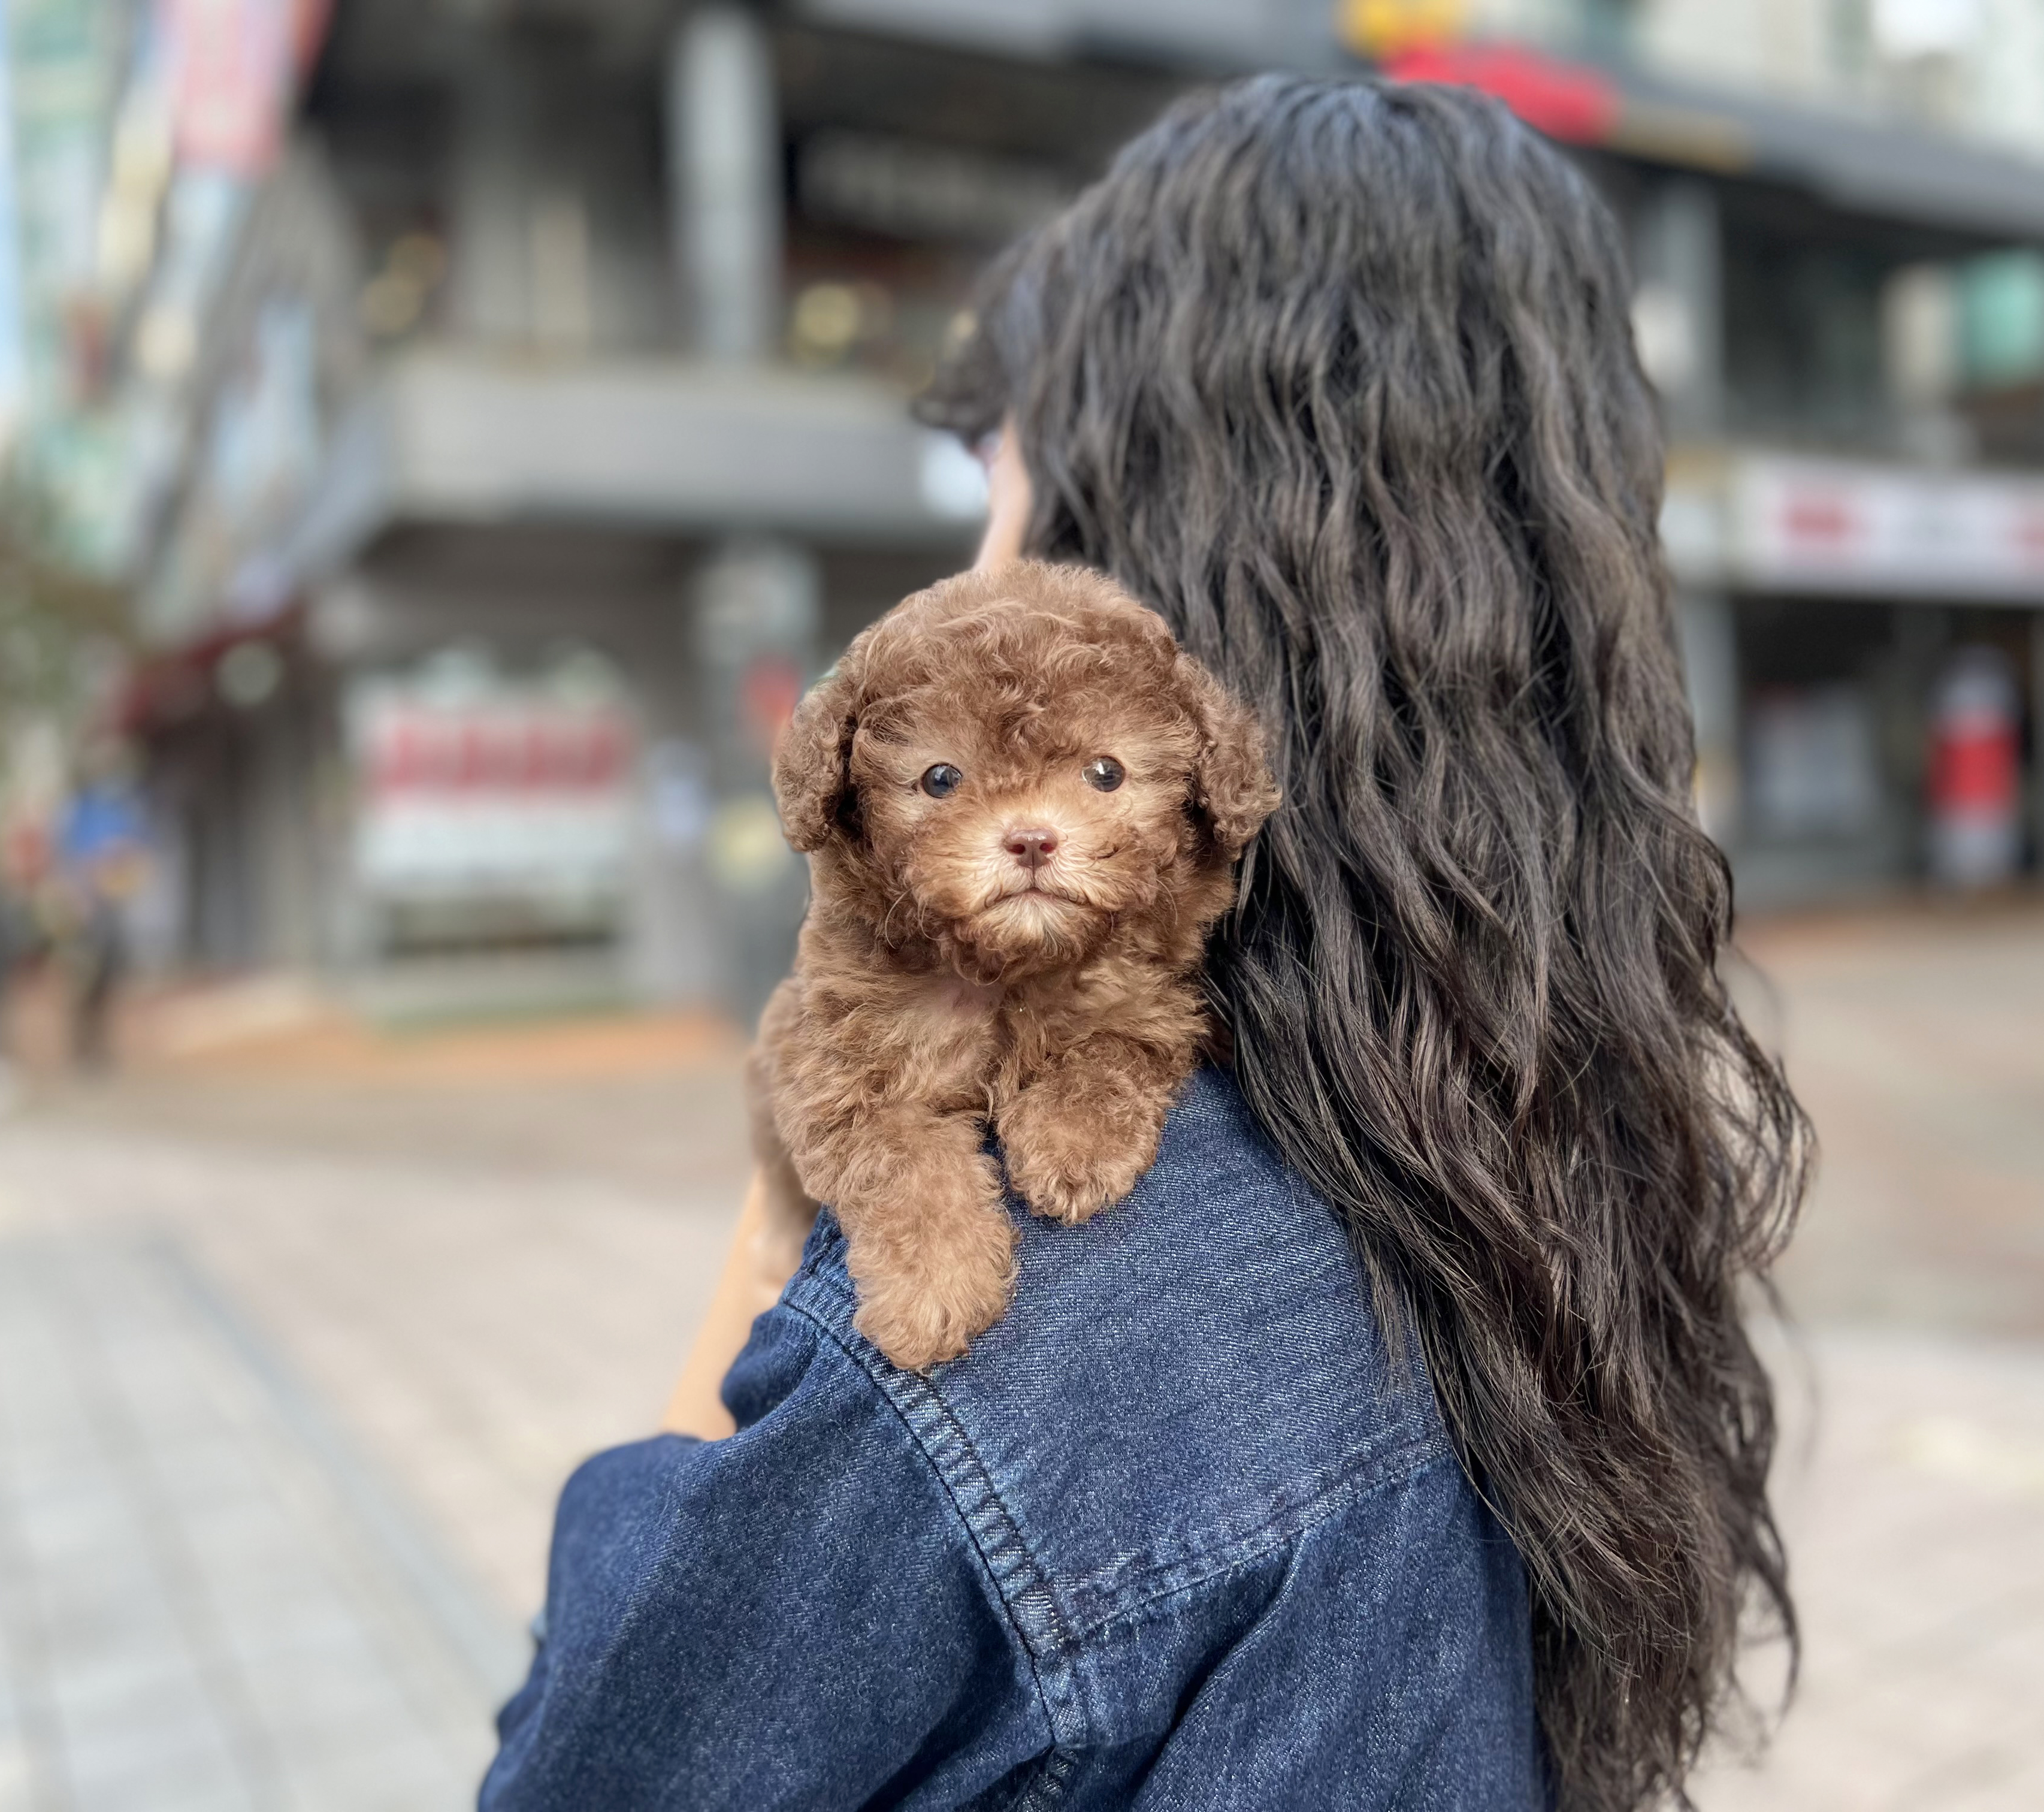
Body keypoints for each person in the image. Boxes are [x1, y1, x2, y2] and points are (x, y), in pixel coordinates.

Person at [480, 78, 1809, 1812]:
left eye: (999, 488)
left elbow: (587, 1767)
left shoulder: (1006, 1326)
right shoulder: (1539, 1163)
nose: (969, 574)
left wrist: (785, 1205)